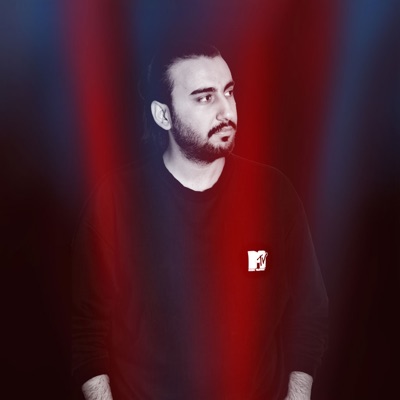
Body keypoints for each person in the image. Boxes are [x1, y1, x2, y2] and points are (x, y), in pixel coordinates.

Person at [72, 42, 328, 400]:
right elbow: (85, 330)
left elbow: (308, 313)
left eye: (229, 92)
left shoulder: (273, 194)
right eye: (205, 98)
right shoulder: (116, 203)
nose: (226, 110)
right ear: (163, 115)